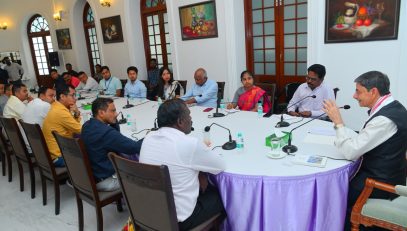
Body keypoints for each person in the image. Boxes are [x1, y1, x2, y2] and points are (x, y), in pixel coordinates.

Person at [322, 71, 407, 230]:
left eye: (358, 91)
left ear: (373, 91)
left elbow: (351, 151)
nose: (354, 96)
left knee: (333, 191)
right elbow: (362, 139)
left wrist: (338, 122)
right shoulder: (392, 106)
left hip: (379, 184)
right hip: (391, 172)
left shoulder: (384, 119)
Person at [139, 99, 226, 230]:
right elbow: (220, 165)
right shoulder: (187, 143)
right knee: (223, 197)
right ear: (180, 121)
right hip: (179, 220)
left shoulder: (148, 138)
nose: (191, 119)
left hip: (151, 212)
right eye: (189, 115)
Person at [82, 98, 143, 191]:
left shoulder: (87, 125)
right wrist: (150, 137)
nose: (116, 114)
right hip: (107, 180)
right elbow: (134, 148)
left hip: (94, 175)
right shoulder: (106, 133)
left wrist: (113, 121)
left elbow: (116, 138)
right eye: (113, 111)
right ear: (101, 113)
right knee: (144, 176)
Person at [42, 85, 82, 167]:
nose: (75, 98)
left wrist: (77, 114)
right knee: (92, 150)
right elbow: (80, 130)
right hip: (59, 156)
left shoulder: (56, 106)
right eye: (72, 95)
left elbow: (74, 128)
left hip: (55, 152)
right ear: (62, 96)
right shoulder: (60, 112)